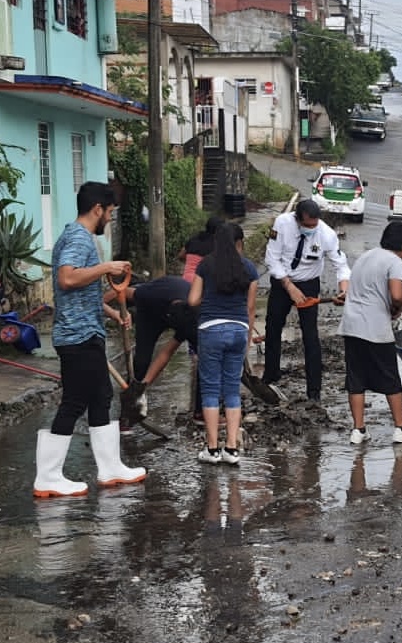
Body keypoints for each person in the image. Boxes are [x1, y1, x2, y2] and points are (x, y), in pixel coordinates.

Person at [35, 182, 146, 498]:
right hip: (77, 336)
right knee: (74, 401)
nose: (110, 219)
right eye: (109, 212)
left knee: (101, 398)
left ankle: (110, 468)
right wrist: (106, 267)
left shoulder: (76, 237)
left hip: (85, 332)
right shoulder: (78, 238)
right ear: (98, 209)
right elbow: (67, 279)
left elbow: (83, 293)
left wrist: (112, 314)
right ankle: (47, 476)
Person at [261, 200, 350, 402]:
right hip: (282, 281)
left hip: (309, 284)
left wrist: (344, 290)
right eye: (307, 225)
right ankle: (270, 376)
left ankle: (314, 391)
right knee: (273, 327)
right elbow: (272, 258)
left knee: (310, 335)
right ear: (297, 219)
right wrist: (288, 286)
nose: (312, 228)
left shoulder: (326, 234)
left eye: (314, 224)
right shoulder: (282, 223)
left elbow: (341, 266)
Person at [188, 223, 258, 465]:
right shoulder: (248, 268)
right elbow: (250, 309)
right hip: (238, 330)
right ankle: (231, 449)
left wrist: (210, 299)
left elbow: (193, 299)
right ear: (240, 243)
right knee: (231, 390)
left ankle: (212, 449)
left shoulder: (206, 265)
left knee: (209, 389)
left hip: (210, 329)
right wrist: (247, 339)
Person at [341, 222, 402, 446]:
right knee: (390, 377)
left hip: (351, 326)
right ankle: (401, 428)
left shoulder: (366, 256)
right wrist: (396, 309)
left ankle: (358, 429)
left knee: (356, 378)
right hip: (375, 328)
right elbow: (396, 295)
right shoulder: (394, 261)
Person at [113, 274, 197, 412]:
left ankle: (200, 412)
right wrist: (101, 304)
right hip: (150, 314)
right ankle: (129, 402)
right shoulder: (150, 294)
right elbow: (121, 290)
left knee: (205, 367)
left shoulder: (192, 316)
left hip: (181, 314)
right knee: (142, 361)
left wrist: (145, 385)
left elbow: (166, 353)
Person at [181, 216, 223, 283]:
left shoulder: (193, 239)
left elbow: (181, 255)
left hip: (185, 281)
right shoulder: (217, 245)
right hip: (200, 284)